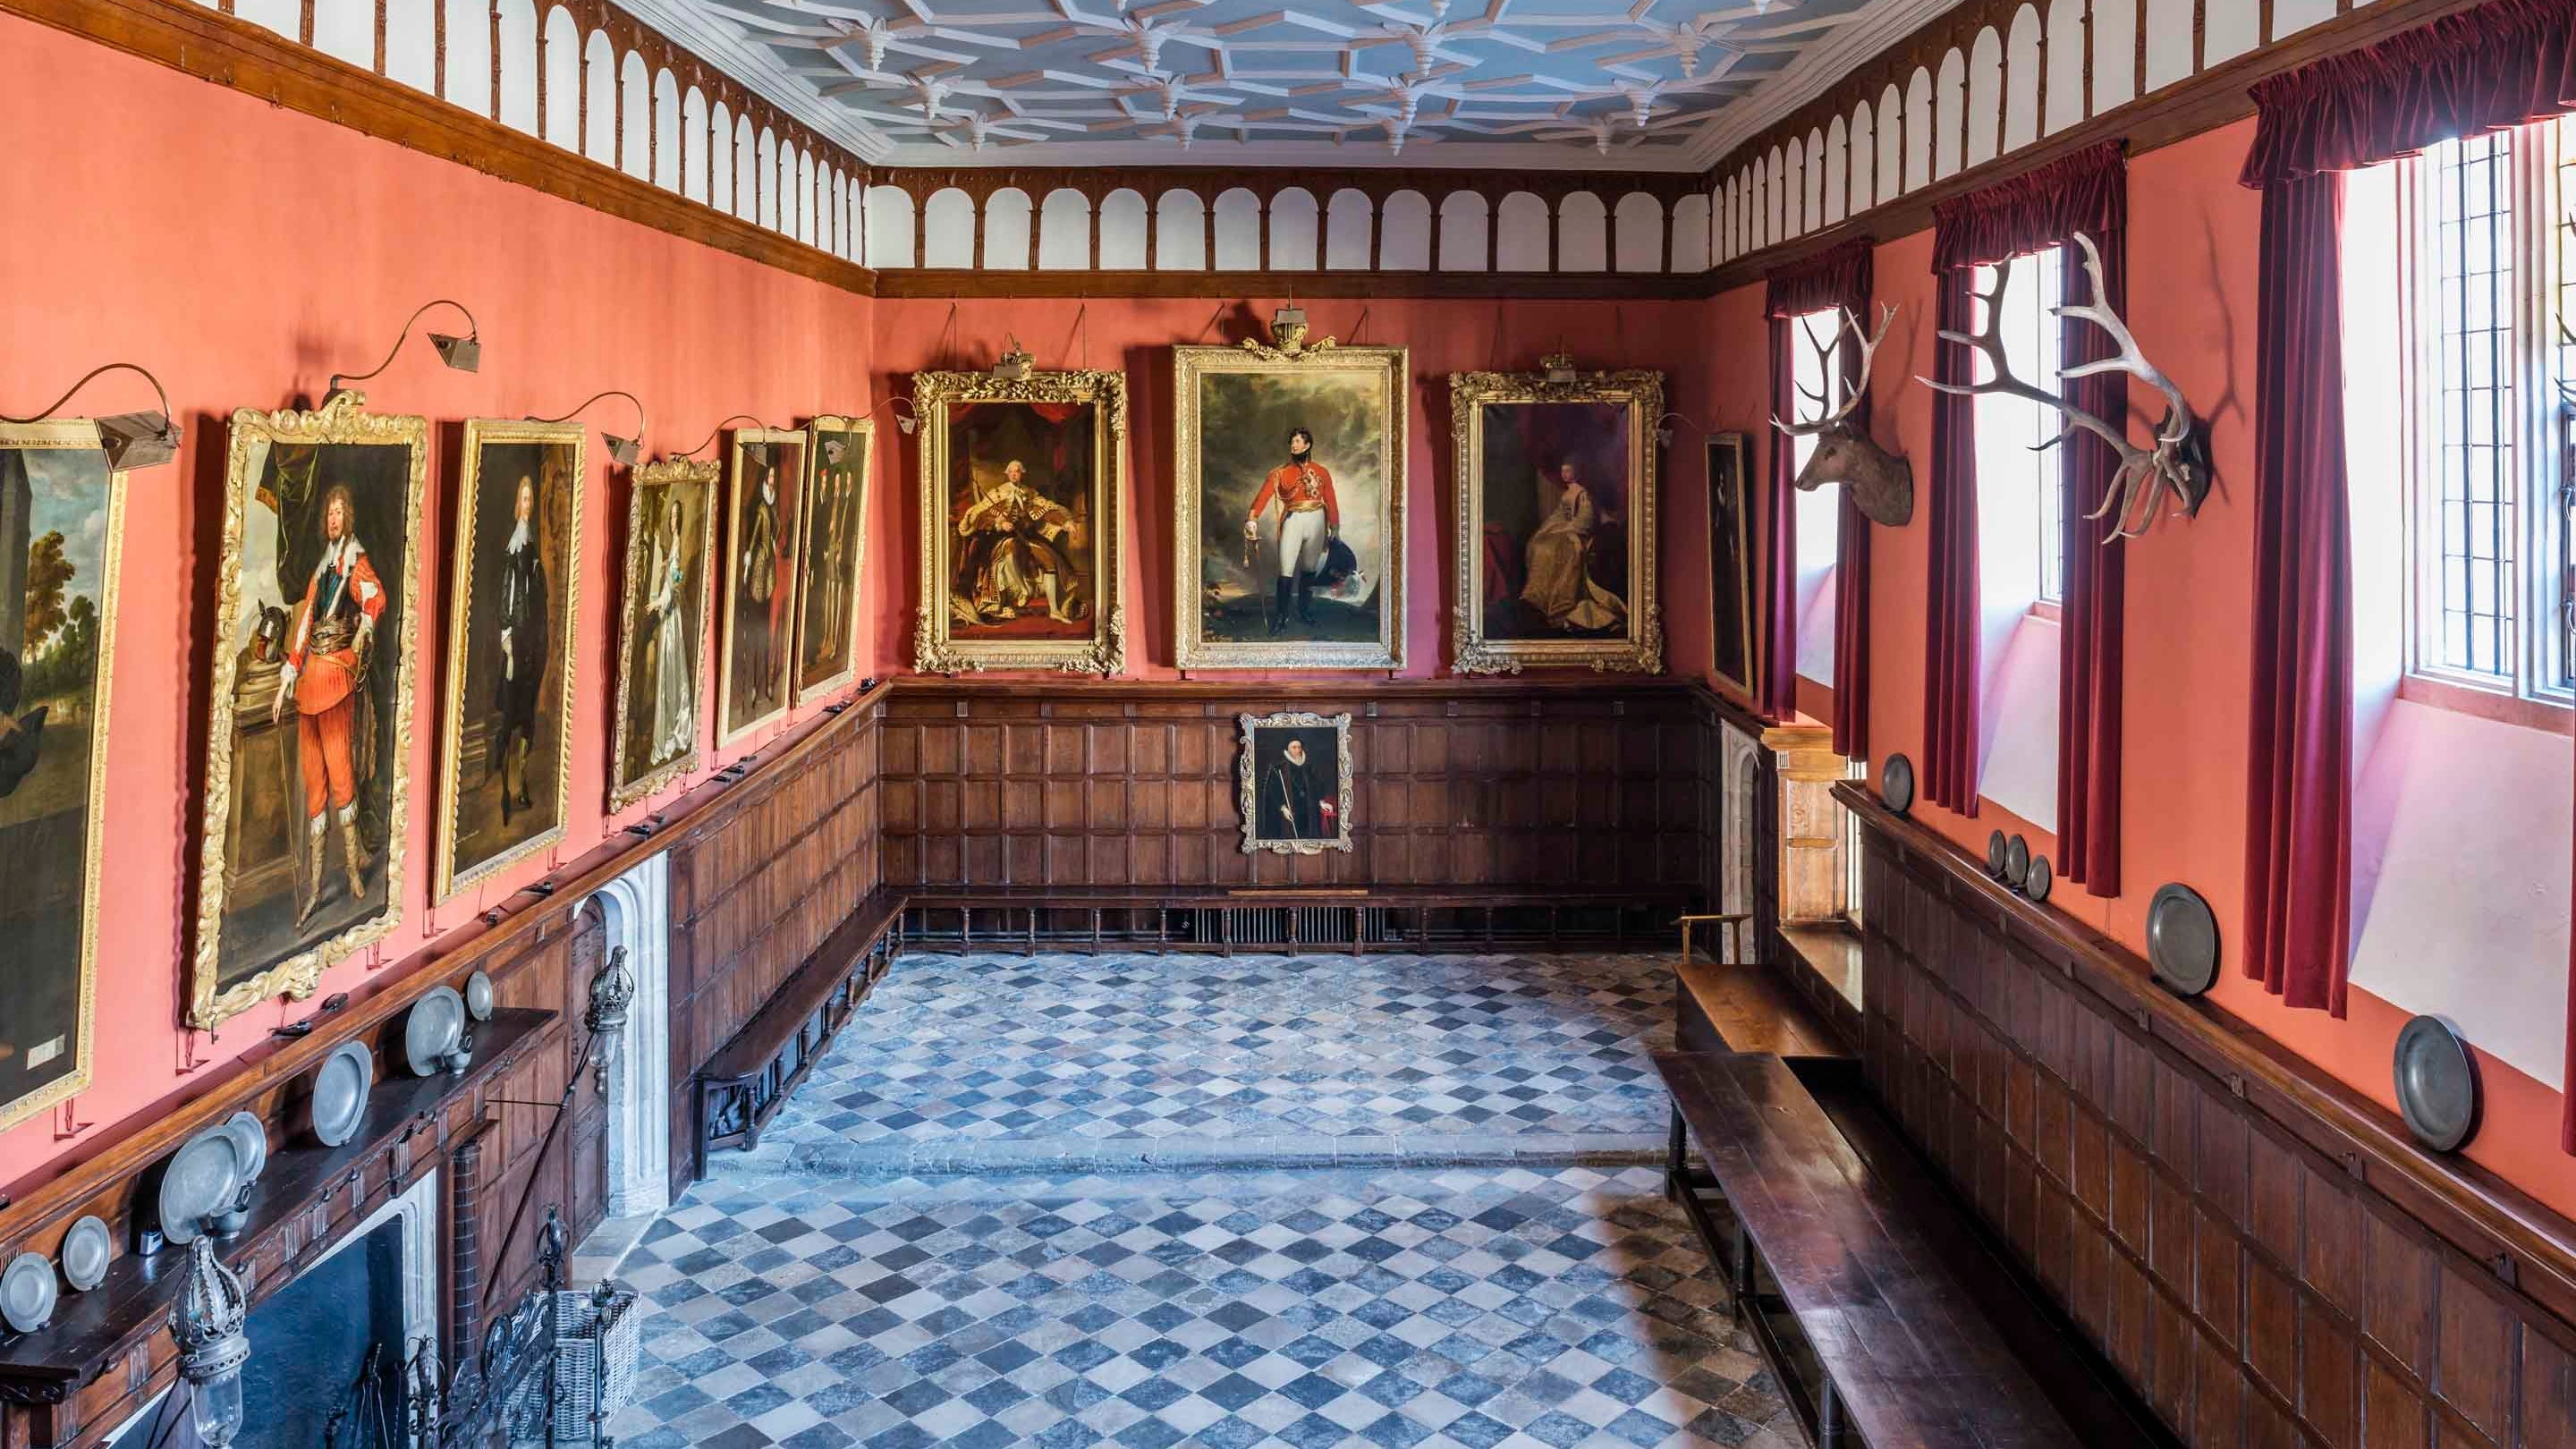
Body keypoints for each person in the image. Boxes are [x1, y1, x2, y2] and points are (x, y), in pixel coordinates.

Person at [271, 484, 383, 928]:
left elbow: (375, 599)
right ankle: (316, 888)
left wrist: (360, 635)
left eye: (340, 512)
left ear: (348, 518)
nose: (334, 519)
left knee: (341, 776)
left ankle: (353, 873)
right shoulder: (321, 571)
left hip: (336, 676)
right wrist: (284, 686)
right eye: (330, 514)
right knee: (314, 783)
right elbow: (302, 634)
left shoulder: (354, 563)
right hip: (310, 680)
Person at [953, 460, 1079, 624]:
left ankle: (1054, 610)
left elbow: (1046, 510)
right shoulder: (997, 493)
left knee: (1049, 560)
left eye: (1017, 471)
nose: (1014, 474)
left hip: (1026, 537)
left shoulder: (1029, 493)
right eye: (1011, 471)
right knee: (1010, 548)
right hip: (1001, 538)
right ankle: (1024, 590)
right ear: (1007, 474)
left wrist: (1065, 522)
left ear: (1022, 473)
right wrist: (999, 523)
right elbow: (980, 515)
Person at [492, 475, 549, 825]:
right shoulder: (514, 549)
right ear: (517, 504)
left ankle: (520, 782)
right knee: (512, 715)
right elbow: (507, 600)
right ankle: (508, 787)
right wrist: (508, 639)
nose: (526, 506)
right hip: (516, 643)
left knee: (527, 716)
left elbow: (537, 601)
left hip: (532, 643)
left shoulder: (532, 550)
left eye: (531, 500)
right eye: (523, 499)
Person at [1243, 427, 1338, 633]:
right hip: (1293, 520)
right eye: (1292, 442)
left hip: (1317, 522)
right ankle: (1281, 617)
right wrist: (1253, 519)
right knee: (1285, 570)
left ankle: (1304, 611)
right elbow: (1263, 497)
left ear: (1307, 445)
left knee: (1310, 569)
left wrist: (1335, 527)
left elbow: (1330, 500)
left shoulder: (1322, 472)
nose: (1293, 445)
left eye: (1297, 441)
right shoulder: (1279, 473)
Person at [1519, 460, 1625, 631]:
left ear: (1577, 473)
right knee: (1539, 544)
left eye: (1568, 471)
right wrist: (1551, 528)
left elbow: (1586, 518)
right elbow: (1559, 516)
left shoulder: (1583, 493)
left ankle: (1560, 601)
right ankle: (1539, 596)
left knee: (1556, 549)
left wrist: (1569, 529)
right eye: (1563, 472)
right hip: (1565, 529)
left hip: (1577, 534)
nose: (1565, 475)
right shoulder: (1567, 493)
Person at [643, 498, 694, 761]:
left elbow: (674, 586)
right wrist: (664, 568)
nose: (673, 520)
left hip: (670, 617)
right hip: (669, 616)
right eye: (671, 516)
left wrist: (656, 603)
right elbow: (675, 577)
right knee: (669, 672)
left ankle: (670, 735)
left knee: (669, 671)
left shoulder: (677, 544)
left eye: (676, 516)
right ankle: (668, 733)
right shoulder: (673, 545)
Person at [738, 453, 781, 706]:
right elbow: (754, 538)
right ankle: (753, 685)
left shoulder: (772, 507)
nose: (774, 479)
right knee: (754, 631)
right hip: (757, 570)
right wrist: (748, 561)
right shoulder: (761, 509)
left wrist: (775, 541)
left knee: (765, 631)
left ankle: (762, 685)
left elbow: (776, 531)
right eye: (771, 475)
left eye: (776, 475)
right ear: (766, 479)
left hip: (769, 573)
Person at [1258, 735, 1328, 840]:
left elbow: (1316, 785)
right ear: (1287, 748)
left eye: (1299, 747)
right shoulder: (1279, 767)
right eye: (1293, 747)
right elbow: (1272, 791)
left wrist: (1321, 801)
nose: (1297, 750)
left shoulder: (1308, 766)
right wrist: (1282, 808)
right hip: (1290, 809)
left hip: (1308, 809)